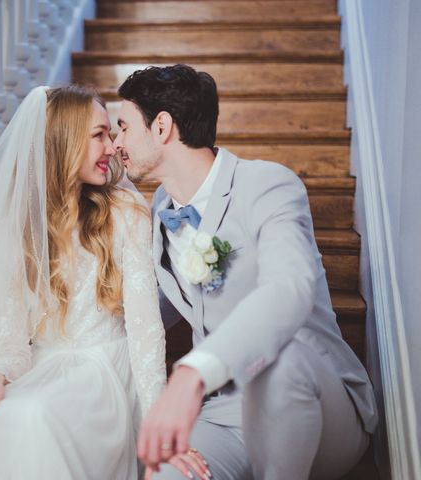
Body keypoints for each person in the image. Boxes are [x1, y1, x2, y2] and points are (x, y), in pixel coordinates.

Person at [111, 64, 378, 480]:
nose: (115, 144)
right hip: (223, 413)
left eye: (123, 127)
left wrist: (192, 372)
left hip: (313, 403)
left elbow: (289, 289)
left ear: (161, 127)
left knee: (280, 360)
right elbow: (152, 309)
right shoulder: (161, 208)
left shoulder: (269, 185)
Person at [0, 85, 205, 479]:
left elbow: (145, 332)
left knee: (37, 415)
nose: (111, 147)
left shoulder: (125, 214)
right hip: (44, 367)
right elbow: (12, 345)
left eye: (111, 133)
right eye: (99, 135)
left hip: (106, 368)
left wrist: (157, 426)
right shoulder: (5, 236)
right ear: (62, 141)